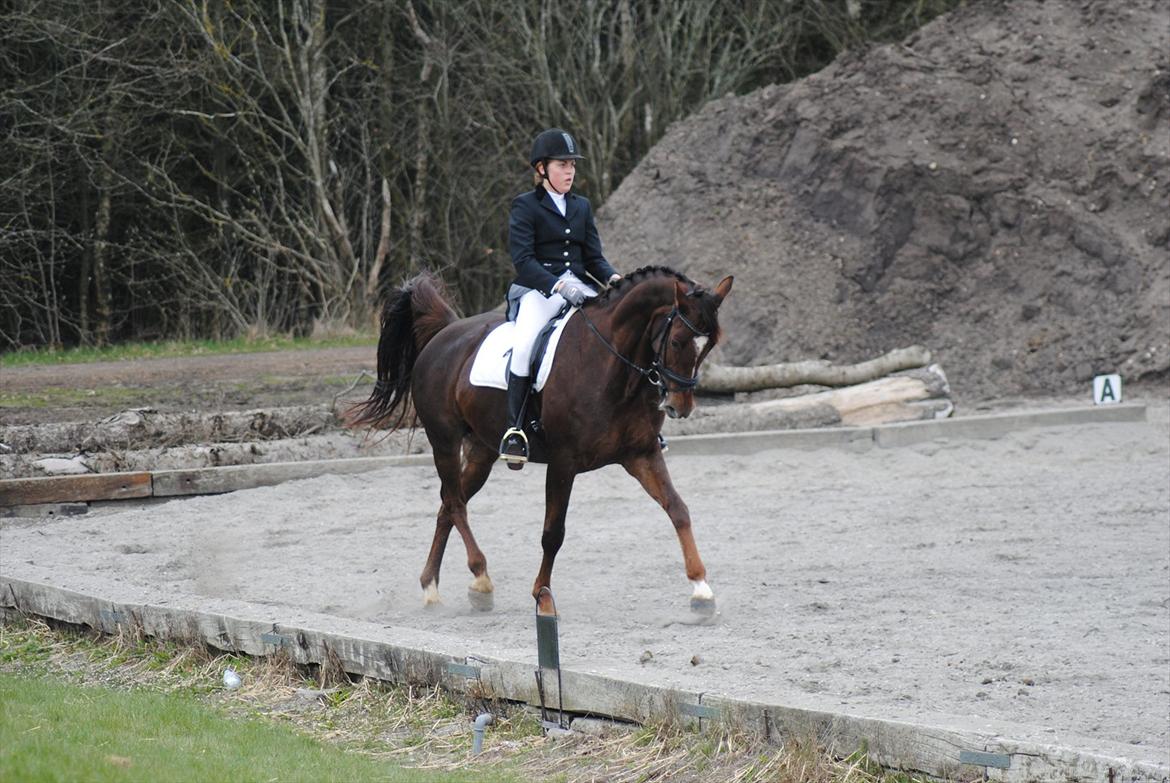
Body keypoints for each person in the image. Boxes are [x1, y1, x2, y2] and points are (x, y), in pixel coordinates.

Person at [499, 128, 621, 468]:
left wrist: (613, 277)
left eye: (572, 165)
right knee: (524, 345)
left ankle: (633, 420)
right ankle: (515, 430)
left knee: (619, 333)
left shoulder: (581, 206)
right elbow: (523, 260)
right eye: (562, 165)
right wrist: (556, 285)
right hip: (539, 291)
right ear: (541, 169)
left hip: (581, 286)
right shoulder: (525, 206)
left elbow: (593, 257)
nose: (569, 171)